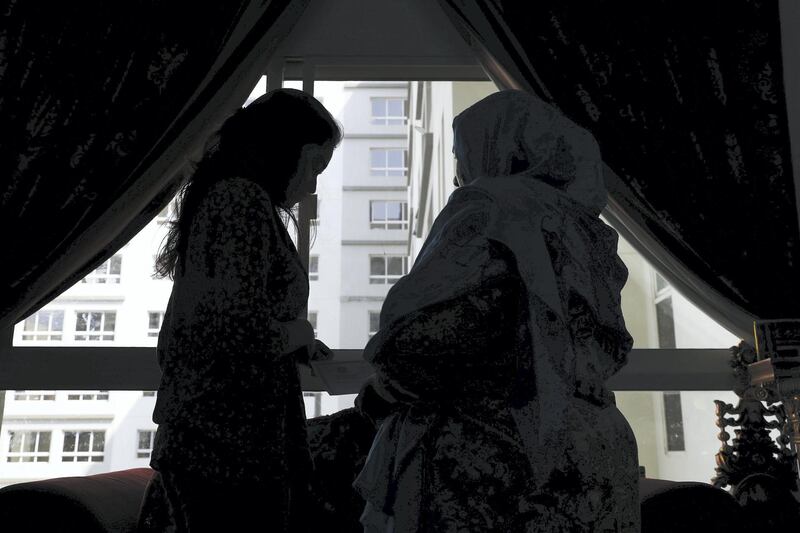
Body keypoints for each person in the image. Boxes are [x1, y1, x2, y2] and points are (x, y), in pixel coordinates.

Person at [352, 90, 641, 532]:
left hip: (500, 455)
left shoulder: (490, 205)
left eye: (460, 153)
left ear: (496, 146)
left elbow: (439, 332)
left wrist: (385, 387)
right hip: (598, 450)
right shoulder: (585, 225)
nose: (457, 173)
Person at [137, 88, 342, 532]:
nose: (311, 186)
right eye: (314, 166)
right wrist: (299, 333)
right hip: (226, 447)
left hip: (221, 441)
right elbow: (238, 332)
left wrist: (295, 342)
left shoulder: (231, 200)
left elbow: (229, 314)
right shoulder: (239, 202)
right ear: (286, 151)